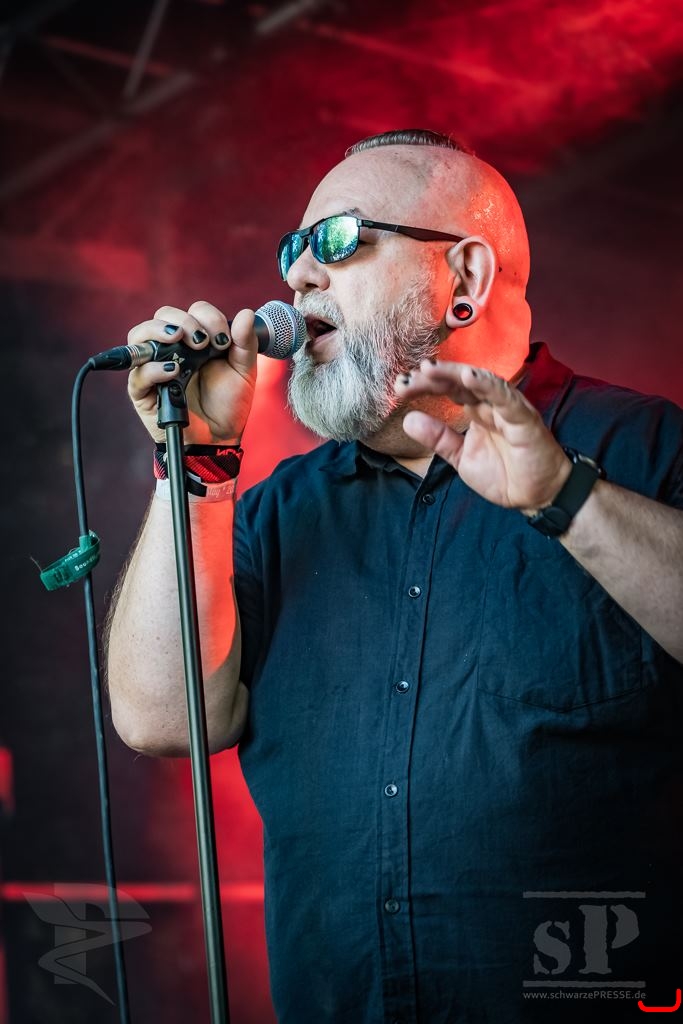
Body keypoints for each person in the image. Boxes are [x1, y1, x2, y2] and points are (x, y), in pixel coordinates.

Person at [106, 129, 683, 1023]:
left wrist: (567, 499)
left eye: (337, 240)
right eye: (292, 250)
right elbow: (160, 717)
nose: (299, 276)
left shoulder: (646, 449)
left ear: (465, 276)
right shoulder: (277, 512)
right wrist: (197, 465)